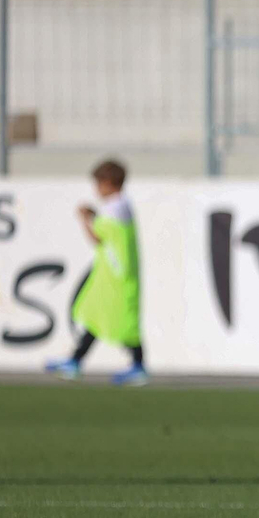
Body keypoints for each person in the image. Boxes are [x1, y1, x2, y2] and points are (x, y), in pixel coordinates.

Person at [44, 158, 147, 386]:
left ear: (109, 183)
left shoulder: (115, 208)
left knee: (123, 323)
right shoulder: (120, 206)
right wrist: (94, 215)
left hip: (117, 278)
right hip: (111, 277)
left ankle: (138, 365)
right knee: (96, 316)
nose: (96, 189)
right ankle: (75, 360)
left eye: (99, 184)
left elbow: (97, 237)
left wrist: (85, 219)